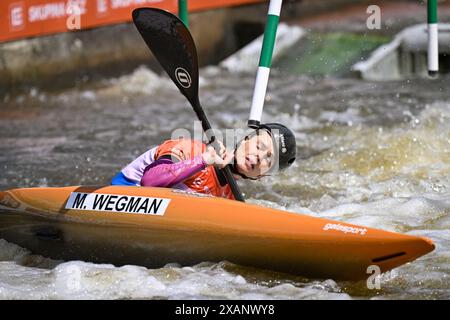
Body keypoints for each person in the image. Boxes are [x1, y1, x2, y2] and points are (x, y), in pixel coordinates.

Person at [111, 123, 296, 200]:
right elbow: (150, 182)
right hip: (119, 198)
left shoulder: (231, 198)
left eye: (268, 159)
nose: (259, 157)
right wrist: (203, 160)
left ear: (262, 176)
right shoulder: (191, 149)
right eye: (260, 146)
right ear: (246, 139)